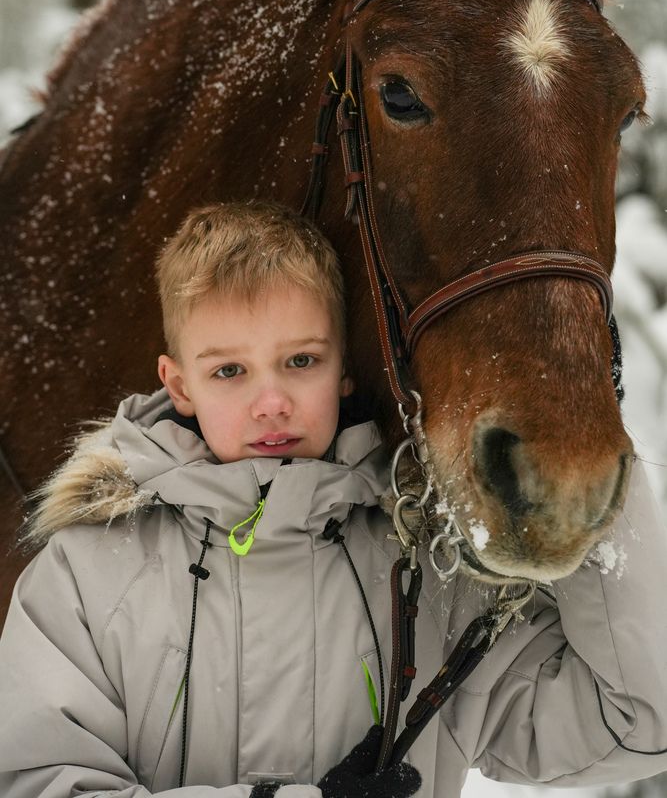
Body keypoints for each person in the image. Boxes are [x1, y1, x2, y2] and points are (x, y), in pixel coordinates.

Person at [0, 200, 666, 798]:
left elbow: (631, 725)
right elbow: (36, 782)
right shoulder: (87, 574)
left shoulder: (427, 579)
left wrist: (578, 449)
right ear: (177, 386)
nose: (271, 402)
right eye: (229, 371)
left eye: (300, 361)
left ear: (344, 367)